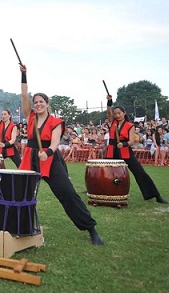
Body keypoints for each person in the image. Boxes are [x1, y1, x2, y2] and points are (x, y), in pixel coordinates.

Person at [18, 64, 104, 245]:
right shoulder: (30, 117)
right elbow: (24, 95)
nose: (38, 104)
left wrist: (47, 152)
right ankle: (20, 227)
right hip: (30, 157)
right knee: (21, 193)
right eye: (36, 102)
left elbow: (56, 143)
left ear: (48, 104)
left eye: (42, 101)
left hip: (49, 158)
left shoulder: (56, 122)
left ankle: (91, 229)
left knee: (67, 193)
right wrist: (24, 75)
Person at [106, 95, 167, 203]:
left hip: (124, 151)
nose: (117, 115)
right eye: (116, 114)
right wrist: (109, 102)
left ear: (124, 113)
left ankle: (156, 195)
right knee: (104, 171)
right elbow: (109, 112)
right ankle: (96, 189)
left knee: (140, 173)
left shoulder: (130, 125)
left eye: (119, 113)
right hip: (112, 150)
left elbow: (131, 141)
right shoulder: (113, 122)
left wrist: (123, 144)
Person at [0, 97, 21, 167]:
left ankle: (23, 177)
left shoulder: (14, 126)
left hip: (10, 147)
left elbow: (13, 140)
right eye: (2, 114)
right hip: (1, 148)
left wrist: (5, 144)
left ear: (9, 115)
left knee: (20, 165)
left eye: (5, 114)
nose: (3, 116)